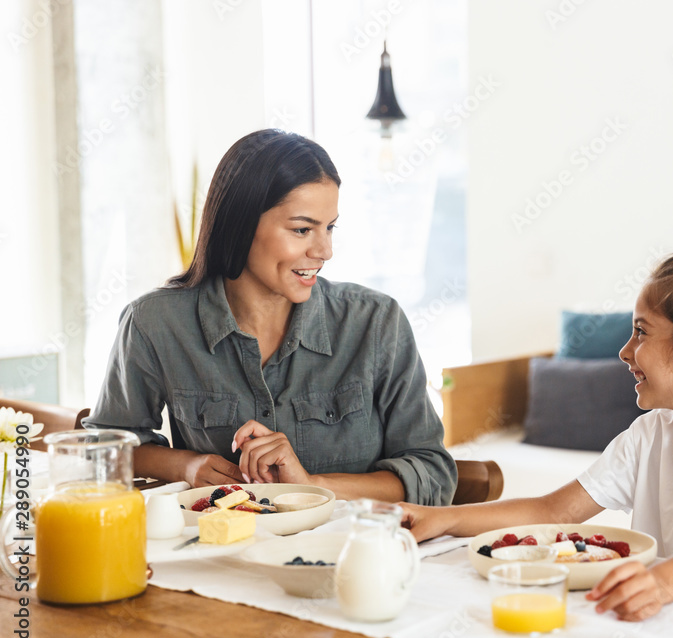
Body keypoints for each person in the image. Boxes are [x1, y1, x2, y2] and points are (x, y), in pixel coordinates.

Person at [400, 234, 673, 619]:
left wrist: (659, 583)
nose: (624, 351)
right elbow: (553, 511)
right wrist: (442, 517)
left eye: (641, 332)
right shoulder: (652, 434)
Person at [84, 129, 457, 505]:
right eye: (302, 229)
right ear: (240, 224)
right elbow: (104, 447)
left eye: (330, 227)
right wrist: (186, 465)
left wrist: (310, 485)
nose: (325, 250)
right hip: (220, 556)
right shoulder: (155, 323)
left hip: (348, 554)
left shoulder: (376, 323)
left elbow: (433, 473)